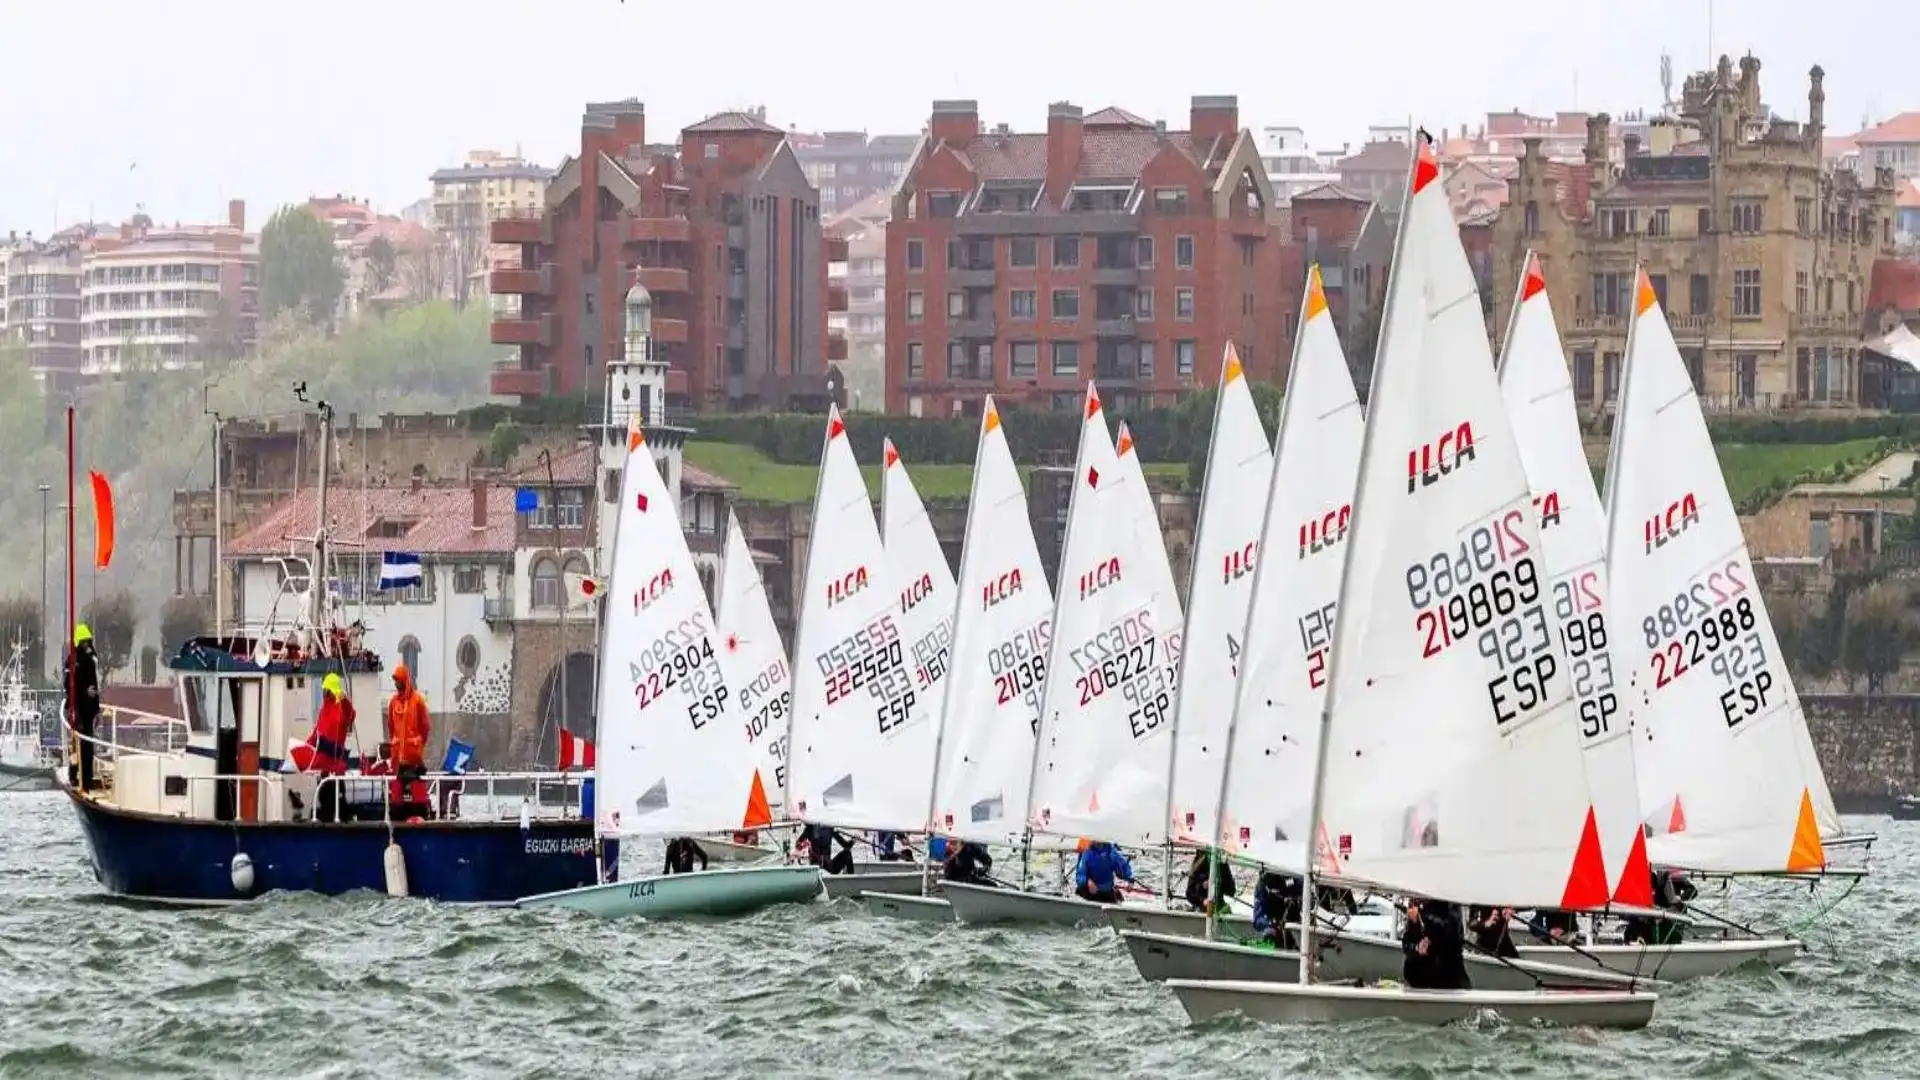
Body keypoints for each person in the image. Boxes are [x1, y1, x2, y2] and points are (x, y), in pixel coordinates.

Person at [291, 673, 356, 822]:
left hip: (335, 765)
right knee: (324, 797)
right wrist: (304, 747)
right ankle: (327, 822)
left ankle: (345, 823)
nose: (323, 692)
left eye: (326, 689)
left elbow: (351, 714)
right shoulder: (324, 709)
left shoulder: (342, 708)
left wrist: (343, 698)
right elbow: (317, 733)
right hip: (323, 766)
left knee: (337, 800)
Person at [384, 663, 432, 807]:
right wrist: (395, 743)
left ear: (404, 680)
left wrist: (418, 745)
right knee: (397, 796)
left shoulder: (417, 701)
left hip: (413, 757)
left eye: (398, 680)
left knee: (415, 794)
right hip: (398, 758)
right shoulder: (393, 702)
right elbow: (391, 726)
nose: (396, 683)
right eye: (395, 680)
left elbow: (425, 726)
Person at [1402, 898, 1471, 990]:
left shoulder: (1451, 907)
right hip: (1419, 982)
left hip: (1448, 983)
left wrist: (1428, 924)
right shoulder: (1418, 907)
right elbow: (1407, 944)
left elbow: (1453, 940)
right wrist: (1417, 947)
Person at [64, 624, 102, 792]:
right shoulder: (74, 661)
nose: (87, 645)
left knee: (86, 747)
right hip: (77, 710)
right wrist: (81, 697)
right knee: (78, 746)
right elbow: (69, 685)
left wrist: (96, 709)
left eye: (88, 642)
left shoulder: (90, 661)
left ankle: (85, 779)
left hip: (87, 711)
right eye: (84, 642)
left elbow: (94, 686)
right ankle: (76, 776)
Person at [1625, 867, 1699, 945]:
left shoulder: (1672, 873)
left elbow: (1692, 890)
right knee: (1634, 923)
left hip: (1670, 915)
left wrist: (1681, 898)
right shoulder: (1644, 874)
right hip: (1649, 913)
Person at [1251, 871, 1303, 949]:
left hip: (1295, 928)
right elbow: (1257, 919)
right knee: (1270, 934)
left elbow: (1305, 889)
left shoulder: (1294, 878)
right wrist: (1269, 924)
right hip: (1273, 927)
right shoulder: (1263, 884)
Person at [1183, 849, 1237, 914]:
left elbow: (1231, 891)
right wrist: (1202, 901)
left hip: (1219, 906)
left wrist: (1218, 883)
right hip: (1202, 908)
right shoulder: (1199, 862)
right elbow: (1189, 893)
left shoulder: (1222, 862)